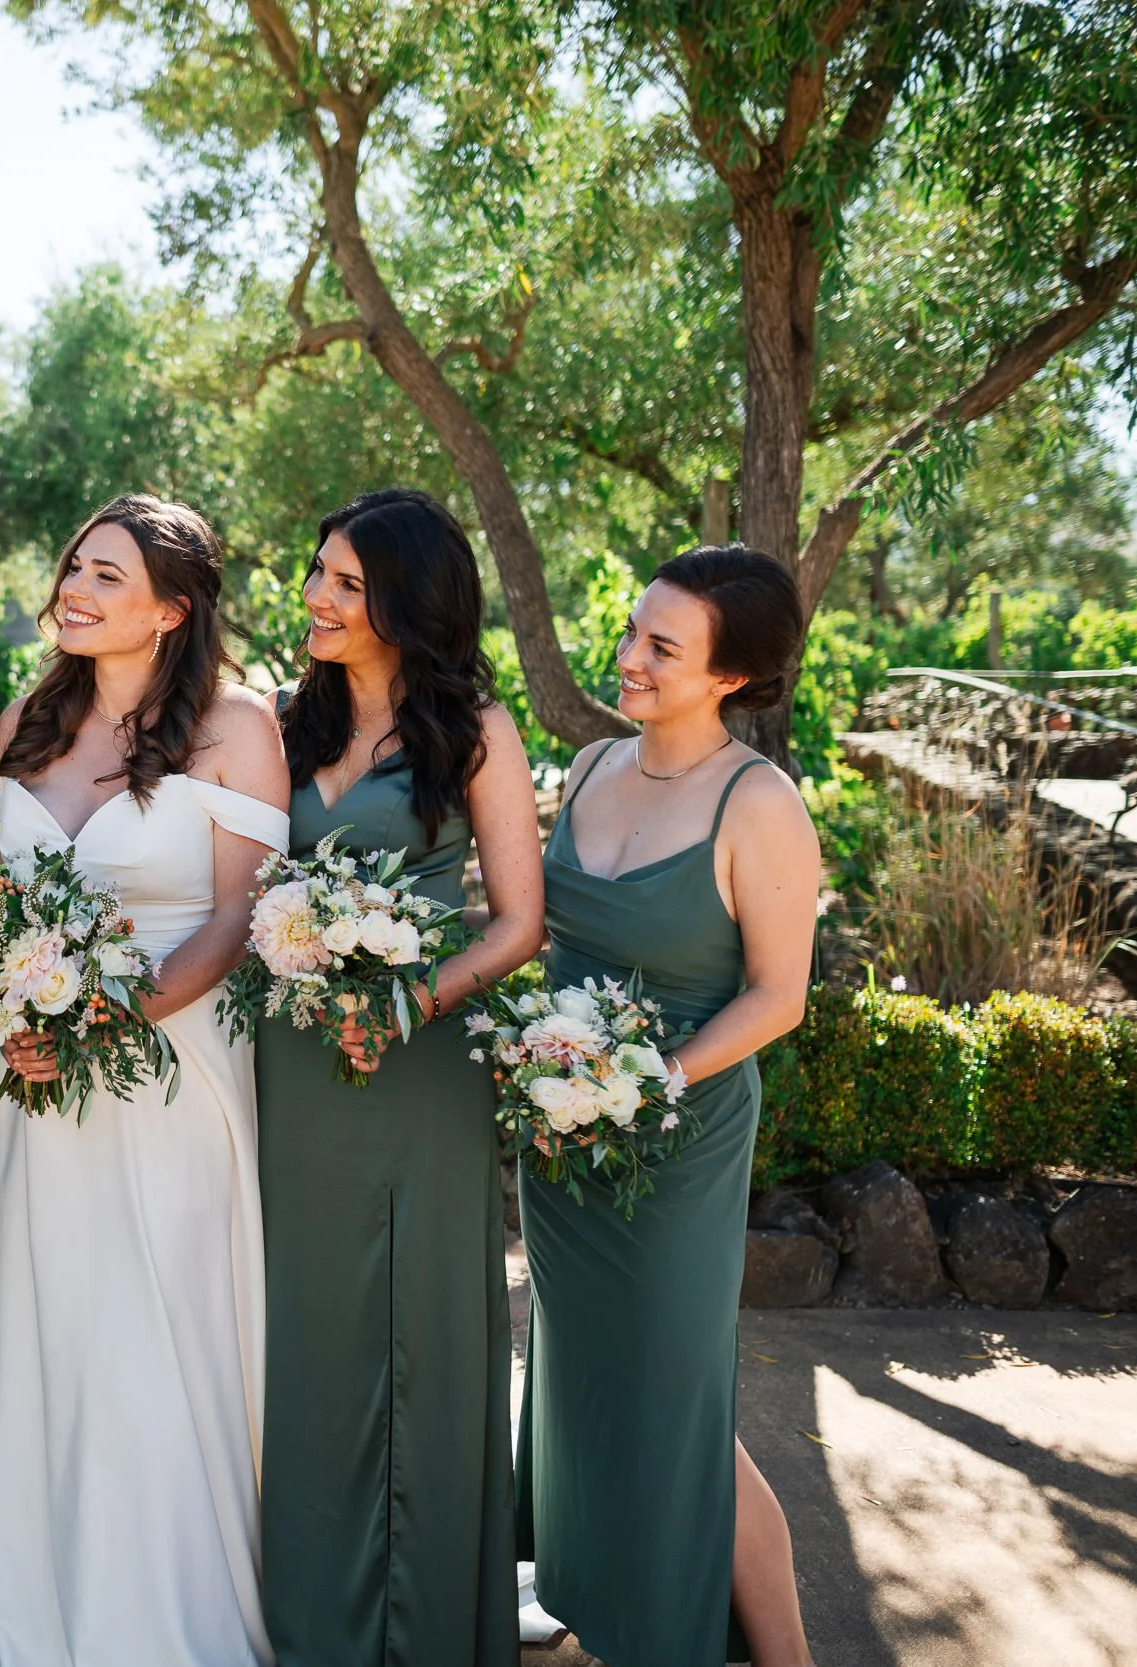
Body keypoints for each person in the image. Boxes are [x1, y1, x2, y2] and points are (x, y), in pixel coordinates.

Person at [0, 495, 291, 1666]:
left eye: (107, 576)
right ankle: (53, 1620)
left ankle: (174, 1627)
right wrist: (15, 1008)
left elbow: (231, 922)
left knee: (159, 1346)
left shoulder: (237, 724)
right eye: (74, 565)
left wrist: (104, 1016)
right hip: (32, 1091)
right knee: (54, 1340)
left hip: (172, 1077)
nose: (75, 587)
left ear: (169, 609)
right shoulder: (22, 718)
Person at [515, 546, 821, 1667]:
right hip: (558, 1138)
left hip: (675, 1145)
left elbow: (777, 997)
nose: (628, 658)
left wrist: (649, 1082)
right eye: (633, 630)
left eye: (661, 647)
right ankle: (609, 1613)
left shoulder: (760, 801)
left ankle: (781, 1654)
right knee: (585, 1382)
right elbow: (549, 938)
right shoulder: (592, 765)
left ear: (729, 676)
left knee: (680, 1411)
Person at [256, 489, 543, 1667]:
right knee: (303, 1339)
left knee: (417, 1338)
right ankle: (306, 1617)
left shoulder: (474, 728)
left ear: (407, 602)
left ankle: (423, 1622)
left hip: (417, 1068)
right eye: (317, 573)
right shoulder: (273, 723)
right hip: (285, 1071)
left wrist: (405, 1000)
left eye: (346, 584)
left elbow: (518, 922)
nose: (318, 598)